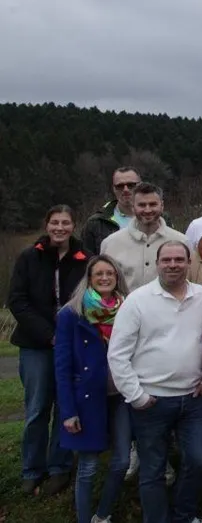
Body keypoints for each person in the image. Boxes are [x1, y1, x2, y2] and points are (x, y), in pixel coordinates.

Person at [106, 241, 202, 523]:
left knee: (199, 461)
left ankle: (183, 515)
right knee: (152, 470)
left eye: (179, 259)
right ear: (157, 263)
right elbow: (117, 354)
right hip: (151, 401)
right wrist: (136, 395)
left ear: (189, 263)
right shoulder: (138, 300)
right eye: (166, 260)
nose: (173, 264)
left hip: (193, 399)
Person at [9, 205, 87, 496]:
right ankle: (32, 468)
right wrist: (48, 334)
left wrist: (68, 336)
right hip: (35, 345)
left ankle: (60, 466)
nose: (60, 228)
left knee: (65, 406)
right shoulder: (30, 257)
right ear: (46, 224)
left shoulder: (84, 259)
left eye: (65, 223)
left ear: (73, 226)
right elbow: (17, 300)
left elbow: (87, 299)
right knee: (37, 408)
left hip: (71, 345)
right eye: (54, 222)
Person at [54, 255, 131, 523]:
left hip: (120, 395)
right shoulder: (71, 314)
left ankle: (103, 514)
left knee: (122, 461)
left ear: (117, 277)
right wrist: (68, 411)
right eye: (98, 274)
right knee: (87, 467)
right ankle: (84, 519)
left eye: (110, 273)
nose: (105, 278)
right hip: (87, 398)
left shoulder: (129, 309)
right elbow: (62, 367)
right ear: (89, 278)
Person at [100, 182, 188, 290]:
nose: (147, 210)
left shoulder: (182, 241)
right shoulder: (110, 243)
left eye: (152, 204)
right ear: (133, 207)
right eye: (142, 205)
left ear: (162, 206)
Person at [82, 166, 142, 256]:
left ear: (141, 186)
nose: (125, 189)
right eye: (120, 186)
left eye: (131, 185)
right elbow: (86, 261)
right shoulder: (96, 223)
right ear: (113, 189)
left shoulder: (160, 218)